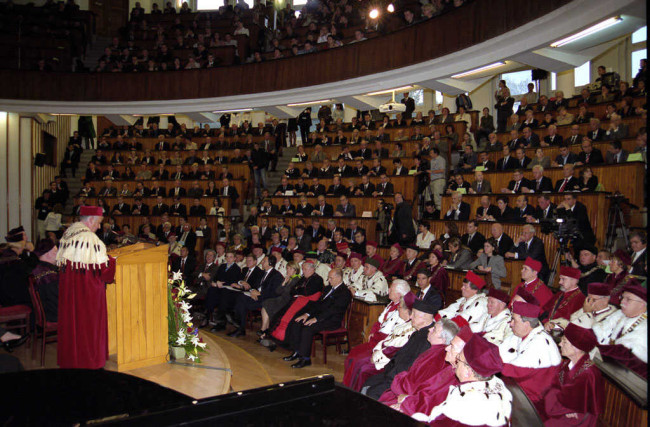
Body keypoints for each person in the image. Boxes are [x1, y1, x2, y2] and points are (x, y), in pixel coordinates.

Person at [56, 206, 116, 369]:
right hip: (88, 295)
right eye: (98, 223)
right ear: (90, 220)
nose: (98, 227)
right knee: (88, 329)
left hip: (70, 293)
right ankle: (90, 362)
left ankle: (71, 360)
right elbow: (105, 274)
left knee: (72, 326)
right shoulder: (91, 240)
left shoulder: (68, 235)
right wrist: (112, 261)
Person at [413, 335, 512, 426]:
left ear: (468, 372)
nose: (456, 363)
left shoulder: (465, 404)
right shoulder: (499, 384)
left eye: (458, 359)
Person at [378, 318, 466, 415]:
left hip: (411, 403)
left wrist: (400, 384)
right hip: (410, 399)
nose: (429, 329)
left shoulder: (437, 357)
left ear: (443, 339)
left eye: (434, 329)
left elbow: (414, 386)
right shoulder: (435, 351)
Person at [361, 300, 437, 399]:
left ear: (424, 318)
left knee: (371, 391)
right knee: (368, 382)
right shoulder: (418, 332)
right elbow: (401, 354)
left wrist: (393, 376)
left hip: (400, 381)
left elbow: (412, 366)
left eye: (414, 314)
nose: (410, 317)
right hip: (392, 374)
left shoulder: (428, 339)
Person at [343, 280, 412, 388]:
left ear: (399, 294)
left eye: (391, 289)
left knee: (357, 359)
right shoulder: (391, 304)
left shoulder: (403, 310)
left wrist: (378, 344)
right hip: (377, 339)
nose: (388, 290)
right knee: (353, 353)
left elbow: (393, 336)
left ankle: (352, 388)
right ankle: (347, 385)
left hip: (382, 342)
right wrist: (373, 332)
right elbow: (380, 321)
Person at [281, 268, 352, 368]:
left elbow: (333, 310)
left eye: (331, 278)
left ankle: (305, 359)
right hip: (320, 316)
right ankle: (297, 351)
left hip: (332, 320)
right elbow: (317, 304)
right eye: (328, 278)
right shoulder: (328, 289)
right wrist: (307, 314)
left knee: (307, 328)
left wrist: (316, 319)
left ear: (339, 278)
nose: (329, 280)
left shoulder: (344, 292)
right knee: (297, 321)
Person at [541, 322, 604, 425]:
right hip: (559, 412)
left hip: (575, 422)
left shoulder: (587, 374)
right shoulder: (567, 364)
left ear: (576, 348)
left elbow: (571, 406)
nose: (560, 344)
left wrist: (566, 407)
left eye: (564, 342)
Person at [500, 301, 562, 403]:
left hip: (530, 400)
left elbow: (514, 371)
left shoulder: (540, 342)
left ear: (526, 324)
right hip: (515, 389)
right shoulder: (522, 334)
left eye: (514, 320)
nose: (511, 324)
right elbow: (499, 352)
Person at [593, 283, 647, 376]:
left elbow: (625, 354)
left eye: (628, 299)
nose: (621, 302)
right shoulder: (619, 314)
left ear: (642, 304)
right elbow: (598, 330)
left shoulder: (645, 327)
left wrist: (591, 347)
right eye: (622, 297)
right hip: (607, 367)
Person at [543, 266, 586, 331]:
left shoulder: (581, 299)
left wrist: (554, 325)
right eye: (560, 279)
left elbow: (574, 324)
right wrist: (545, 322)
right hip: (547, 328)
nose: (560, 282)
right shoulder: (559, 294)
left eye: (563, 279)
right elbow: (545, 310)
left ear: (574, 281)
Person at [31, 239, 59, 322]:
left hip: (44, 311)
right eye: (56, 251)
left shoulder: (38, 268)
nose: (58, 254)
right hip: (52, 315)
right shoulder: (49, 276)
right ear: (48, 254)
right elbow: (56, 300)